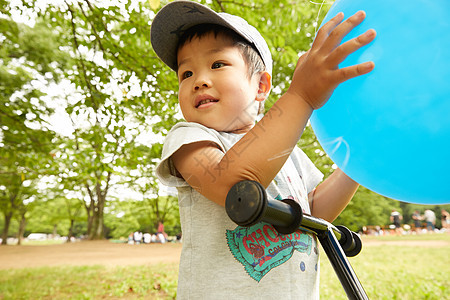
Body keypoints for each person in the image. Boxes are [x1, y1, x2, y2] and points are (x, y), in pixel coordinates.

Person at [152, 1, 376, 298]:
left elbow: (316, 212)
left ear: (260, 86)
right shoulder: (190, 138)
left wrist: (357, 162)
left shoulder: (291, 153)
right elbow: (233, 184)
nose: (199, 81)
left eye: (217, 64)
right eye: (186, 74)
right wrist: (302, 95)